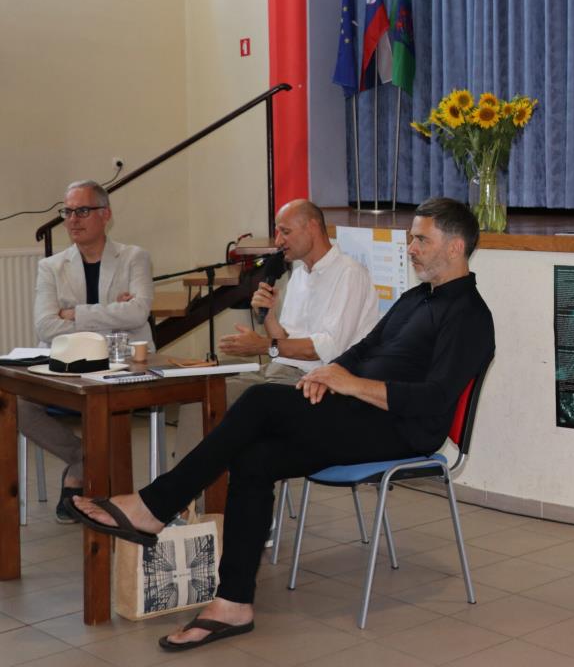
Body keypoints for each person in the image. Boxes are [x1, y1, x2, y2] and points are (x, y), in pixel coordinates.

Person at [68, 198, 494, 651]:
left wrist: (349, 384)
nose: (411, 248)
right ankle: (233, 602)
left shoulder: (470, 315)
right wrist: (326, 376)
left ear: (455, 247)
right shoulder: (416, 299)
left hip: (402, 430)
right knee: (255, 458)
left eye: (421, 239)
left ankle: (155, 505)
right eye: (411, 238)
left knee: (260, 400)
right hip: (358, 412)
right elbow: (364, 350)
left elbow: (434, 400)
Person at [174, 199, 378, 460]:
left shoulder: (349, 274)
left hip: (317, 383)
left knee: (237, 405)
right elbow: (284, 340)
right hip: (280, 372)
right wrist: (269, 316)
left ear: (312, 227)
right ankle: (196, 486)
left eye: (286, 232)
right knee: (199, 398)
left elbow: (327, 349)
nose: (279, 241)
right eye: (278, 232)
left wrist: (262, 345)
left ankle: (207, 483)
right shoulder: (299, 275)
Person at [25, 179, 153, 523]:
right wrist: (113, 313)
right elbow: (45, 326)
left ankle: (78, 480)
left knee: (105, 401)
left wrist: (75, 314)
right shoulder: (51, 267)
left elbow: (138, 313)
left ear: (105, 215)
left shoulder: (134, 258)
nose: (72, 219)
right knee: (17, 403)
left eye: (82, 211)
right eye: (67, 212)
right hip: (68, 365)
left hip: (124, 365)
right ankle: (83, 459)